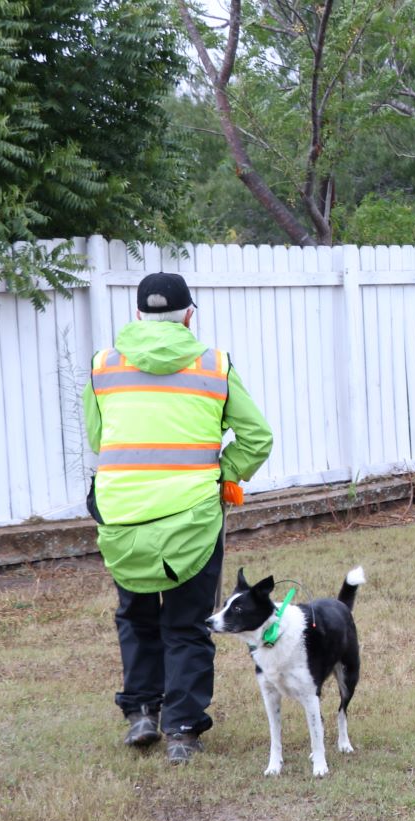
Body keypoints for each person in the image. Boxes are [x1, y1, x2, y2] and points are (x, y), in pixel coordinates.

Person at [84, 272, 273, 763]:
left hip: (123, 517)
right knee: (188, 623)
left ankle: (142, 713)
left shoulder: (104, 366)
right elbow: (258, 439)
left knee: (136, 614)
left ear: (138, 316)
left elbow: (96, 439)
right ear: (189, 316)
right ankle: (183, 731)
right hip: (192, 520)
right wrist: (221, 476)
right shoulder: (215, 366)